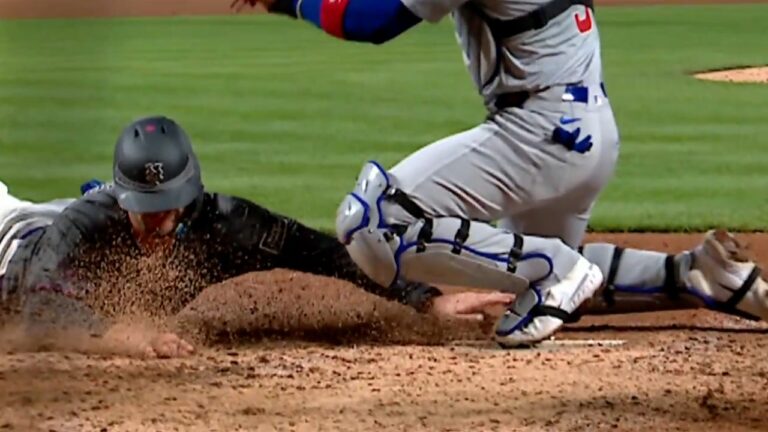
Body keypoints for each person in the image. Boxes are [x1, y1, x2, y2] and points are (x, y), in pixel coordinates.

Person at [231, 0, 768, 346]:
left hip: (541, 130)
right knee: (521, 269)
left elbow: (370, 22)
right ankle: (696, 275)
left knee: (372, 221)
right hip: (583, 126)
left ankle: (557, 270)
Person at [0, 115, 515, 358]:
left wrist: (424, 301)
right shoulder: (85, 225)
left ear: (188, 198)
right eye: (143, 210)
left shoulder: (225, 224)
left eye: (166, 210)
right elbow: (40, 309)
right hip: (16, 236)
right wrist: (123, 337)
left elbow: (323, 255)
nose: (156, 223)